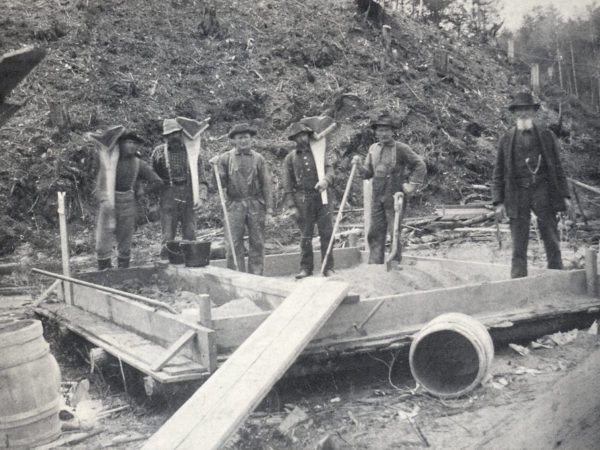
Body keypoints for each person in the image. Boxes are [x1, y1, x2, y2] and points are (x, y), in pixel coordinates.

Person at [492, 92, 571, 278]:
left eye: (527, 109)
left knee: (551, 238)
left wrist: (565, 195)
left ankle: (557, 278)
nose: (523, 113)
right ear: (514, 113)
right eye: (520, 110)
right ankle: (518, 281)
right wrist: (498, 202)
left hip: (543, 191)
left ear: (533, 111)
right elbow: (498, 172)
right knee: (518, 242)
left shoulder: (546, 135)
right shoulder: (506, 139)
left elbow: (557, 167)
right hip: (517, 193)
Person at [353, 112, 426, 264]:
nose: (383, 133)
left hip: (394, 196)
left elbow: (420, 165)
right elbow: (367, 174)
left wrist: (412, 185)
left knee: (394, 232)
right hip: (377, 196)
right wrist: (359, 166)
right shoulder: (373, 149)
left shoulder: (401, 148)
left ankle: (394, 263)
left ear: (392, 131)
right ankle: (375, 263)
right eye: (380, 130)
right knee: (375, 231)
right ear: (375, 132)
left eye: (386, 130)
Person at [94, 127, 163, 270]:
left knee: (125, 239)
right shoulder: (108, 160)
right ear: (120, 144)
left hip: (127, 202)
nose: (132, 146)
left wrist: (142, 190)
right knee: (103, 239)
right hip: (107, 201)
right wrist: (103, 199)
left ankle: (123, 271)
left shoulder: (138, 163)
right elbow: (99, 182)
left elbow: (157, 181)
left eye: (134, 143)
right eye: (128, 142)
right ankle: (104, 271)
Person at [210, 123, 273, 275]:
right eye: (240, 138)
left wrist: (269, 208)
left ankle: (256, 276)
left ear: (251, 139)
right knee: (233, 242)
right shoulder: (225, 159)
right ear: (234, 140)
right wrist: (215, 169)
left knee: (257, 241)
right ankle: (236, 274)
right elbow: (218, 184)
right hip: (234, 204)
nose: (244, 141)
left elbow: (266, 185)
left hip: (255, 204)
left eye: (246, 137)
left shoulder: (259, 159)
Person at [283, 122, 335, 278]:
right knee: (305, 235)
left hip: (322, 197)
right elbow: (287, 185)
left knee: (326, 232)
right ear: (294, 139)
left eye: (304, 135)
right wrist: (291, 205)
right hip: (303, 199)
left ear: (309, 135)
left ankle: (328, 267)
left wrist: (326, 180)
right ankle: (306, 268)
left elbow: (330, 170)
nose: (302, 138)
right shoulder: (290, 158)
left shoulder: (319, 153)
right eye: (298, 136)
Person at [152, 118, 209, 257]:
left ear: (181, 133)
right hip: (168, 195)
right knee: (167, 235)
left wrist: (201, 197)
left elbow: (201, 177)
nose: (173, 137)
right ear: (165, 137)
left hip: (189, 194)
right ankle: (166, 266)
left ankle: (191, 264)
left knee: (190, 233)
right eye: (169, 135)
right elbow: (153, 178)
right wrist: (154, 201)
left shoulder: (192, 151)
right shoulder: (158, 153)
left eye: (176, 133)